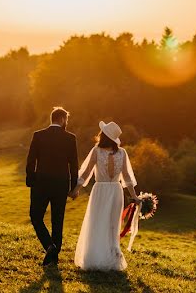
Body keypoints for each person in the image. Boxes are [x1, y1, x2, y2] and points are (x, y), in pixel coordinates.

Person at [72, 120, 140, 271]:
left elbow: (86, 172)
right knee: (111, 224)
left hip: (100, 191)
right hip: (116, 191)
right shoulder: (122, 153)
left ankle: (94, 257)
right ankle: (110, 257)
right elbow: (127, 178)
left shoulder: (97, 151)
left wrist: (76, 189)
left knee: (97, 222)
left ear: (104, 136)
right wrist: (134, 196)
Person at [25, 106, 80, 266]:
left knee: (35, 217)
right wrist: (73, 187)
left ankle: (49, 247)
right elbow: (74, 165)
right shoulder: (70, 138)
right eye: (66, 120)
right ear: (62, 119)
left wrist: (31, 180)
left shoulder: (38, 135)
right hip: (61, 185)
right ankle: (53, 253)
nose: (66, 123)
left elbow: (30, 160)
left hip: (40, 184)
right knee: (58, 221)